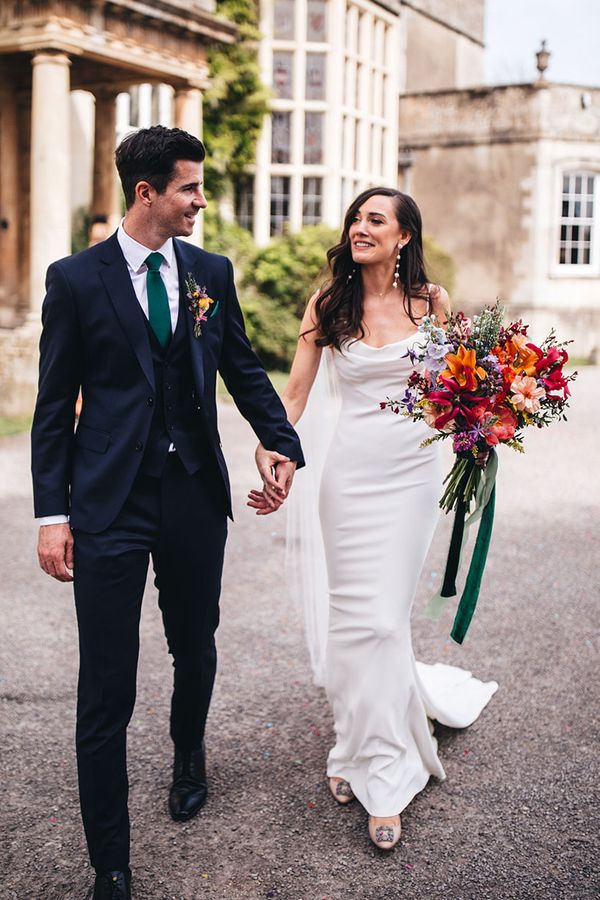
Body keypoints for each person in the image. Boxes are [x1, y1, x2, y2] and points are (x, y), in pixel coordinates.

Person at [31, 125, 303, 900]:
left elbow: (243, 370)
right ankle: (109, 863)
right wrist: (53, 515)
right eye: (190, 187)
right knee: (107, 681)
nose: (200, 200)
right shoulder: (76, 280)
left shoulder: (209, 271)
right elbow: (53, 411)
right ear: (147, 192)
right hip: (106, 503)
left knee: (195, 643)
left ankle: (189, 756)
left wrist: (280, 442)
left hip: (191, 495)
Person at [249, 187, 497, 850]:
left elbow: (467, 387)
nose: (360, 227)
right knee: (355, 622)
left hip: (412, 480)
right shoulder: (328, 305)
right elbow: (294, 395)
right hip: (349, 479)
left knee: (383, 620)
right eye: (356, 218)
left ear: (403, 238)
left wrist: (485, 428)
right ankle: (355, 748)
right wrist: (273, 447)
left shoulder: (432, 305)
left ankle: (386, 773)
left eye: (375, 220)